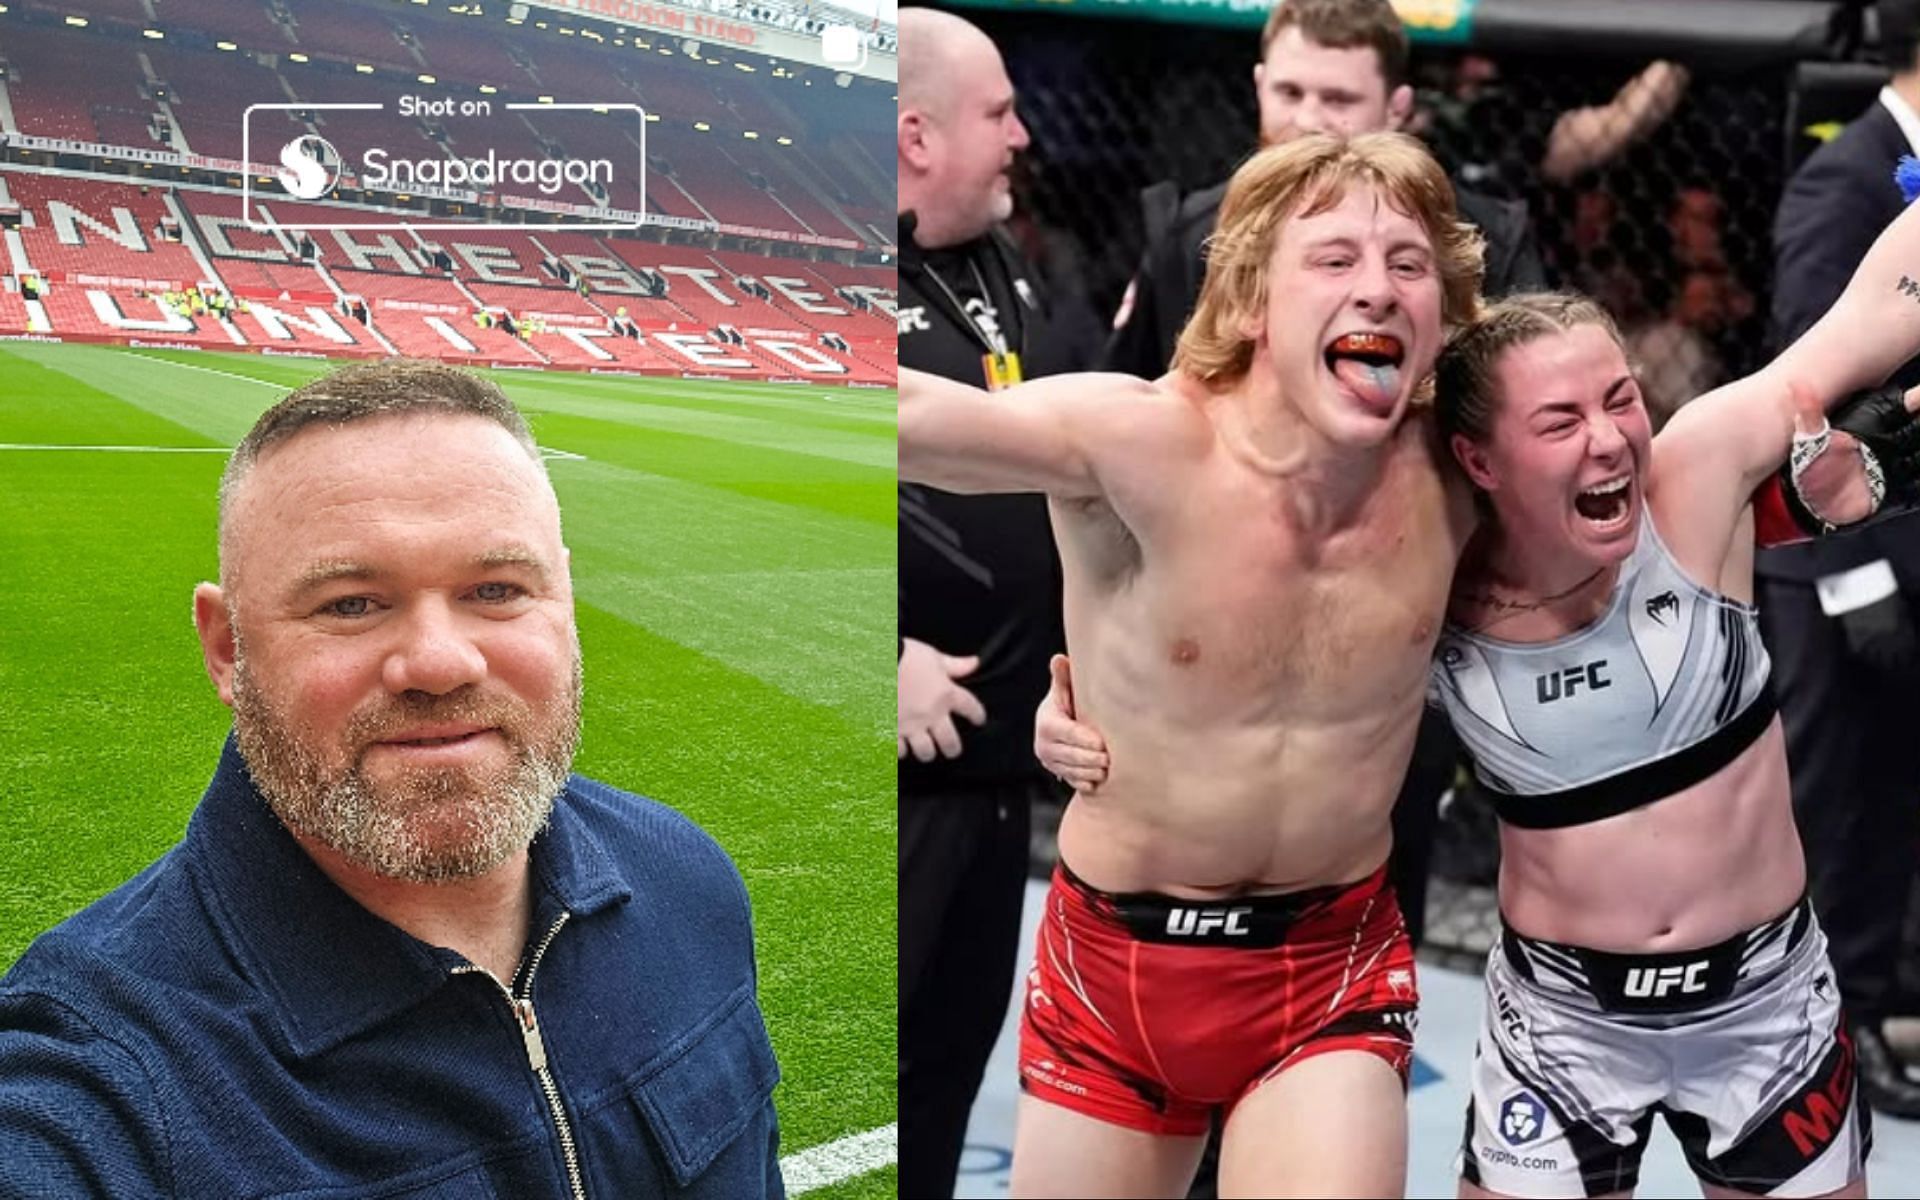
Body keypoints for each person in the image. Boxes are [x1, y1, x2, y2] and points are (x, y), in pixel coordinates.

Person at [1039, 271, 1920, 1193]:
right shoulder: (1429, 583)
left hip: (1767, 1008)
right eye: (1560, 421)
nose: (1610, 438)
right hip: (1562, 1028)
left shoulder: (1698, 473)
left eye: (1622, 399)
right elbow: (1243, 681)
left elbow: (1875, 315)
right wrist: (1080, 713)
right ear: (1484, 461)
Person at [0, 360, 784, 1198]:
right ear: (227, 648)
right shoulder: (103, 1078)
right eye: (350, 604)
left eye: (496, 589)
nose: (441, 663)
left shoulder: (687, 877)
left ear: (564, 599)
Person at [903, 130, 1489, 1197]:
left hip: (1332, 968)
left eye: (1409, 264)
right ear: (1255, 301)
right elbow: (906, 420)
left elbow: (1652, 485)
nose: (1380, 288)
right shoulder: (1141, 440)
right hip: (1117, 969)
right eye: (1335, 260)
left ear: (1444, 312)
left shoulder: (1460, 473)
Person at [1104, 0, 1542, 955]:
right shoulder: (1191, 233)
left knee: (1374, 927)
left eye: (1337, 99)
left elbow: (1520, 452)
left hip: (1390, 647)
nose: (1309, 119)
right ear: (1257, 89)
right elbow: (1112, 452)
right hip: (1208, 653)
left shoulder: (1481, 242)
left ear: (1398, 107)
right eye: (1291, 91)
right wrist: (1080, 673)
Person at [896, 9, 1091, 1197]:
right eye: (999, 111)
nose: (1024, 133)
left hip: (998, 770)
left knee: (950, 1066)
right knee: (848, 1078)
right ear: (916, 135)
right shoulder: (825, 268)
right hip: (891, 778)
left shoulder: (1006, 258)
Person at [1763, 0, 1920, 1120]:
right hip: (1838, 575)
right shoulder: (1849, 180)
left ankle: (1860, 1031)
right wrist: (1857, 582)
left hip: (1902, 562)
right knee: (1836, 818)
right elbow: (1801, 402)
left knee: (1893, 807)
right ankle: (1804, 1055)